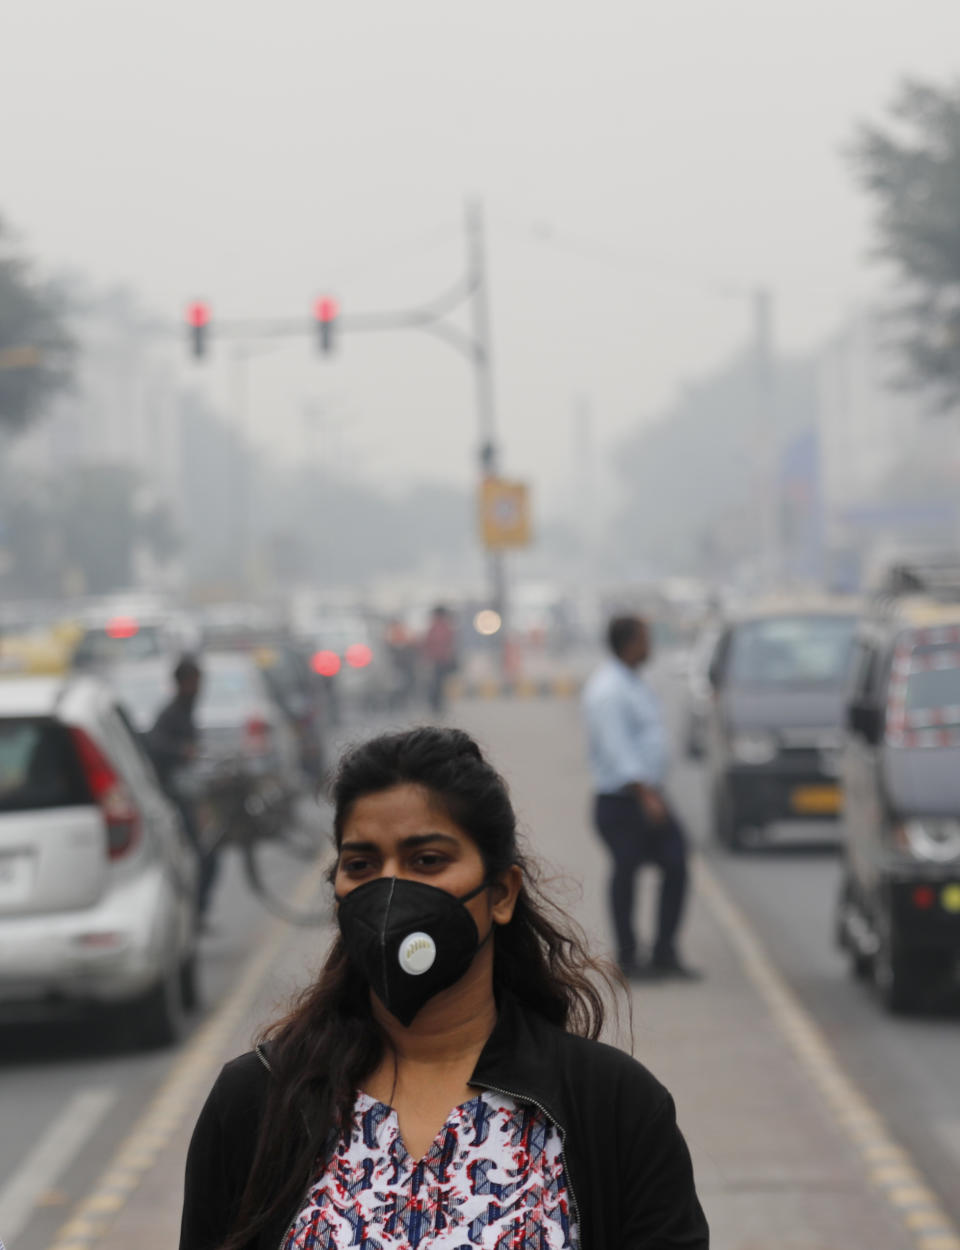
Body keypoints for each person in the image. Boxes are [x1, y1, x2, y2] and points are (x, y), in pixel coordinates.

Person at [180, 726, 708, 1250]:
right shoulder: (259, 1101)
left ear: (501, 893)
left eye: (427, 861)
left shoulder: (614, 1108)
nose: (389, 890)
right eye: (361, 865)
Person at [582, 616, 700, 981]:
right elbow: (617, 749)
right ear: (630, 643)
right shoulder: (608, 690)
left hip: (646, 793)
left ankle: (664, 951)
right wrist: (645, 794)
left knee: (676, 863)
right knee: (627, 871)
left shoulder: (633, 681)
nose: (651, 646)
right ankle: (629, 958)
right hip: (623, 799)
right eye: (646, 639)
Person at [147, 655, 218, 924]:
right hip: (175, 799)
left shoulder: (186, 712)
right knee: (202, 856)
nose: (199, 689)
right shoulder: (171, 714)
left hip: (187, 794)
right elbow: (156, 747)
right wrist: (182, 751)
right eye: (195, 683)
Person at [422, 604, 457, 713]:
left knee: (436, 684)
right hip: (441, 660)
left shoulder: (436, 627)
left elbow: (428, 644)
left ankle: (435, 705)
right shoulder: (446, 627)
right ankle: (437, 705)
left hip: (437, 661)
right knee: (439, 684)